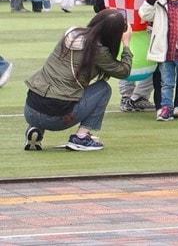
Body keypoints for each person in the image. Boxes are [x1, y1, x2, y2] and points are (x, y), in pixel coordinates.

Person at [23, 8, 133, 152]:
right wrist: (126, 44)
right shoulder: (99, 51)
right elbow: (124, 71)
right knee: (103, 89)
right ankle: (81, 137)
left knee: (54, 87)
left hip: (30, 110)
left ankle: (36, 128)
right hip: (58, 118)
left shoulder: (71, 32)